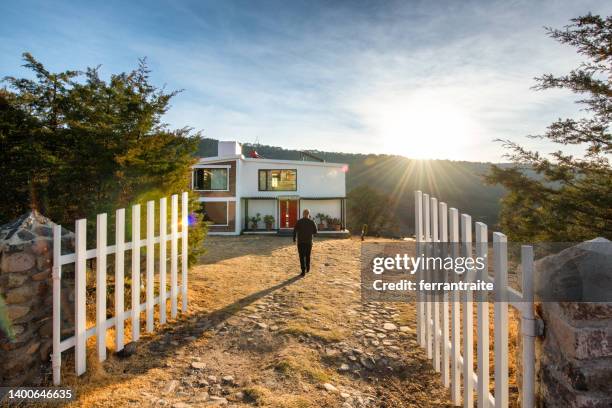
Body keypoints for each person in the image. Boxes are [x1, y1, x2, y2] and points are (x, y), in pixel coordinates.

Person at [293, 208, 318, 277]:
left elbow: (295, 230)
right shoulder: (312, 222)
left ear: (303, 214)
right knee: (307, 255)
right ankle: (308, 268)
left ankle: (303, 271)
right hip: (309, 242)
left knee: (301, 256)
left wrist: (294, 239)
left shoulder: (299, 221)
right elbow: (315, 232)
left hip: (300, 242)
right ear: (308, 214)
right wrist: (310, 233)